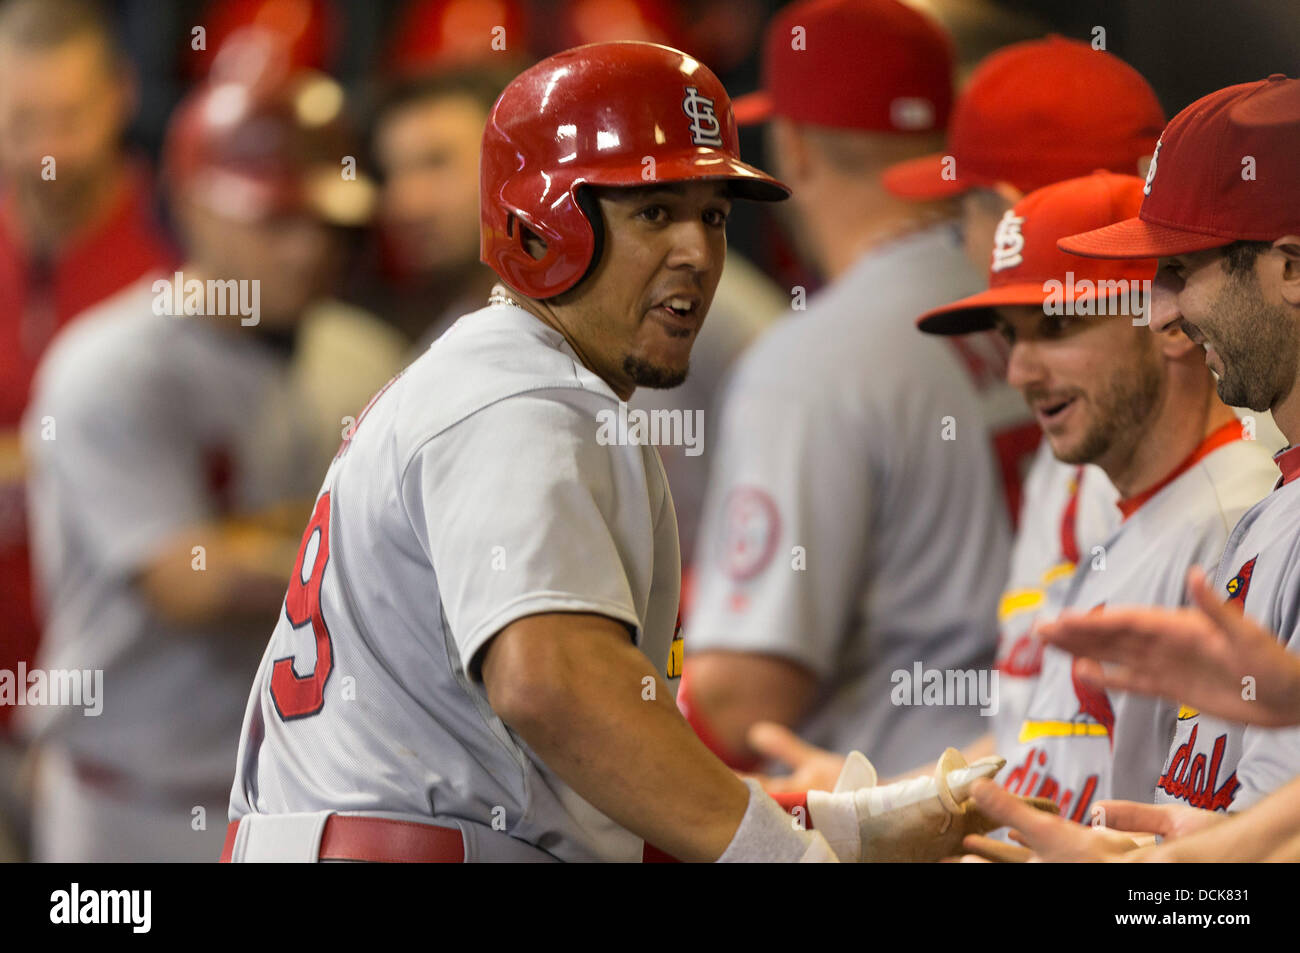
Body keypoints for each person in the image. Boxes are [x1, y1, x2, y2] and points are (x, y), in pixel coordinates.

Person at [19, 60, 375, 861]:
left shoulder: (363, 356)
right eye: (275, 221)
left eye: (324, 222)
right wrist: (375, 561)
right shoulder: (112, 364)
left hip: (299, 801)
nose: (306, 250)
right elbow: (192, 581)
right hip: (129, 804)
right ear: (190, 206)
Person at [955, 74, 1300, 863]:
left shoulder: (1229, 503)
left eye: (1179, 272)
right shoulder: (1271, 506)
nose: (1163, 311)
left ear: (1290, 269)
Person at [680, 0, 1011, 779]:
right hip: (1056, 767)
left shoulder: (811, 364)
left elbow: (745, 697)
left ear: (791, 146)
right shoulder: (1027, 291)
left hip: (905, 806)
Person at [0, 0, 176, 856]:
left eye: (66, 118)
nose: (43, 151)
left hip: (128, 733)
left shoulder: (183, 255)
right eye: (19, 121)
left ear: (120, 98)